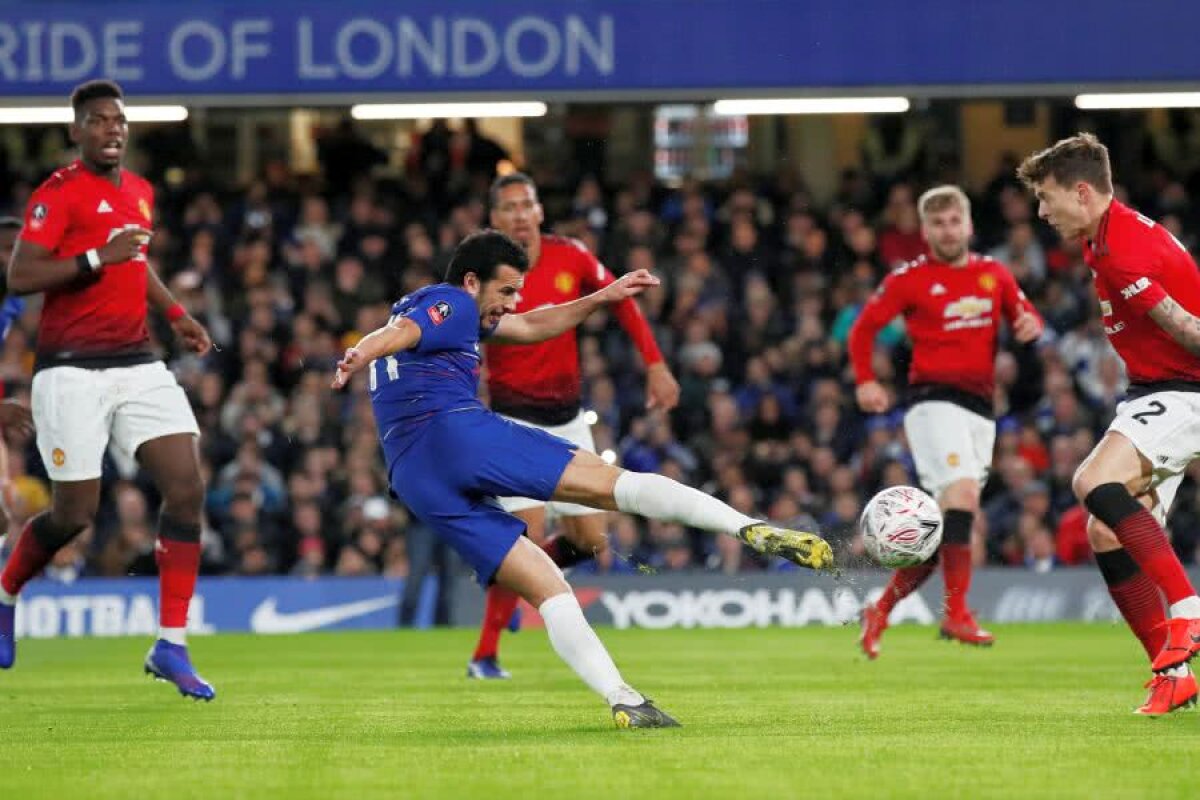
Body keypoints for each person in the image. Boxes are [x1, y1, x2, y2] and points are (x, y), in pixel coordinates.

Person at [331, 230, 833, 728]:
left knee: (549, 589)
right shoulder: (451, 303)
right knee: (618, 486)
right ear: (470, 281)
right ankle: (747, 528)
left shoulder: (444, 312)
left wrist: (602, 297)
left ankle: (623, 698)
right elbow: (400, 335)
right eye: (506, 290)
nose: (513, 302)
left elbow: (530, 326)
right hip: (454, 432)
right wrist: (362, 352)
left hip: (414, 476)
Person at [0, 80, 215, 700]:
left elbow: (135, 261)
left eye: (119, 121)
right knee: (74, 514)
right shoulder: (58, 193)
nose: (112, 129)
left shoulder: (141, 193)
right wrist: (96, 257)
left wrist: (177, 317)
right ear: (76, 132)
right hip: (70, 369)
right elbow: (22, 272)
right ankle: (6, 590)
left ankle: (171, 644)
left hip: (138, 362)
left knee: (186, 486)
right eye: (97, 121)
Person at [467, 172, 680, 679]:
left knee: (589, 541)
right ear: (494, 219)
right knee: (524, 536)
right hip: (511, 418)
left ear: (540, 211)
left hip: (567, 419)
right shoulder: (482, 274)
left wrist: (655, 363)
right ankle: (485, 654)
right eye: (509, 207)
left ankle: (517, 583)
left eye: (527, 204)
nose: (520, 214)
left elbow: (620, 300)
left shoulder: (573, 256)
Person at [1018, 133, 1200, 716]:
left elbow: (1192, 331)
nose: (1042, 212)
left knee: (1093, 483)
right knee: (1105, 531)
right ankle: (1173, 674)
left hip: (1185, 391)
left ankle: (1188, 613)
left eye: (1047, 198)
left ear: (1081, 191)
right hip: (1155, 390)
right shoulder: (1106, 238)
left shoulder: (1121, 250)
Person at [850, 185, 1044, 658]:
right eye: (937, 223)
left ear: (969, 225)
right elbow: (863, 329)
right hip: (932, 401)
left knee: (944, 529)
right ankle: (957, 614)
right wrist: (864, 381)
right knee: (962, 499)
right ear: (925, 230)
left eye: (954, 221)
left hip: (981, 410)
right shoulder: (909, 279)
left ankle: (880, 609)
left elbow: (1025, 313)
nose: (948, 230)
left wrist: (1029, 323)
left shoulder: (993, 274)